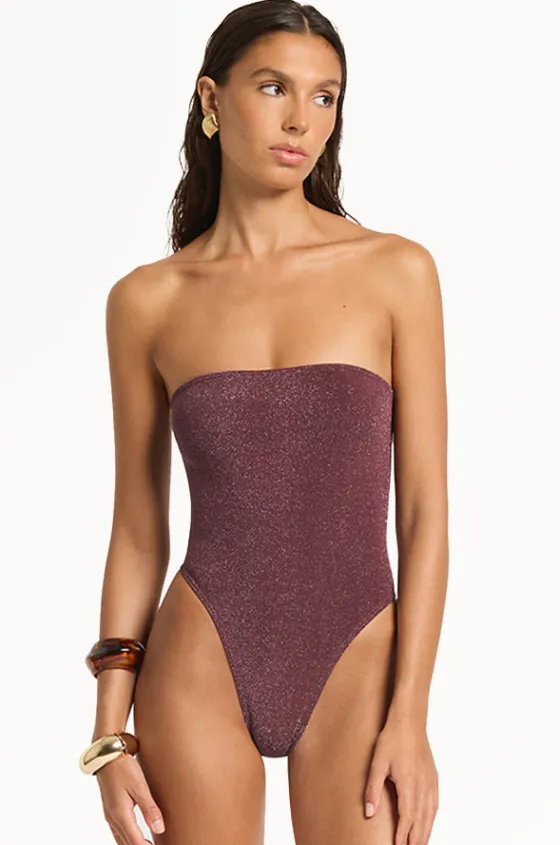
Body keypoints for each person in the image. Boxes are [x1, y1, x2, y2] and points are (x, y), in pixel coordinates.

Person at [78, 1, 449, 843]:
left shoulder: (396, 272)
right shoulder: (147, 301)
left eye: (325, 96)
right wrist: (109, 736)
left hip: (359, 653)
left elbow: (424, 513)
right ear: (212, 99)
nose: (300, 120)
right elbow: (137, 528)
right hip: (200, 656)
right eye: (274, 87)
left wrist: (412, 715)